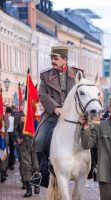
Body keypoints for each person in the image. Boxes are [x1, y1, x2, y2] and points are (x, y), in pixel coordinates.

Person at [34, 46, 82, 187]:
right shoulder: (45, 75)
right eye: (51, 58)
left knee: (92, 133)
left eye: (56, 58)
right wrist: (55, 108)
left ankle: (94, 167)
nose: (52, 61)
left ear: (65, 59)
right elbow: (42, 95)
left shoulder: (78, 73)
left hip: (75, 115)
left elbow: (82, 91)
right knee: (39, 139)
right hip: (53, 114)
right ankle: (41, 173)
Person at [15, 103, 40, 197]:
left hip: (36, 144)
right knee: (26, 166)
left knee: (36, 166)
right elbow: (15, 130)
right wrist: (17, 138)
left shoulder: (37, 116)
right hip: (24, 144)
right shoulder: (20, 116)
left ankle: (37, 184)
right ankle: (29, 189)